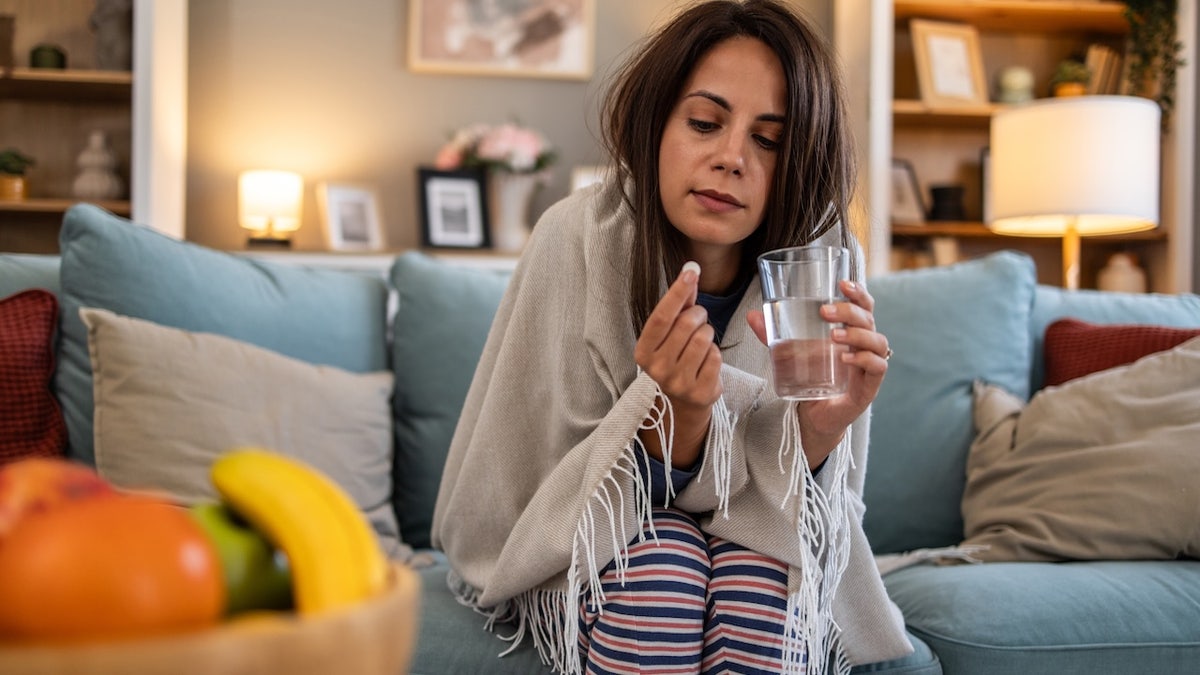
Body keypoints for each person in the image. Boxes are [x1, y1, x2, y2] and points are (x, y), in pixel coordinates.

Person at [432, 1, 911, 673]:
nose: (731, 158)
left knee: (763, 580)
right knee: (659, 564)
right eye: (706, 122)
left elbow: (818, 519)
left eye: (769, 140)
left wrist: (819, 434)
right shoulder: (575, 239)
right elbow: (539, 479)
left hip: (760, 532)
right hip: (593, 534)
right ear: (657, 125)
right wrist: (675, 414)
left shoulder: (824, 264)